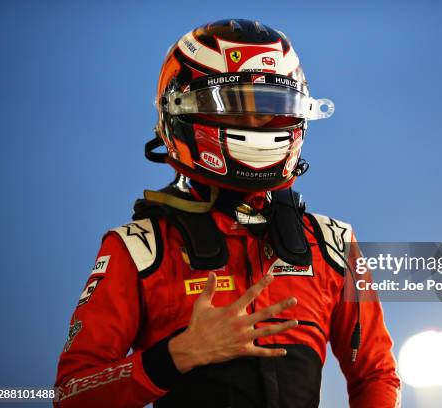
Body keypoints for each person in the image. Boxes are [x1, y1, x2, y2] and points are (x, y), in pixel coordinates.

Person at [54, 19, 401, 407]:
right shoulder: (139, 248)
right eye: (235, 107)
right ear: (179, 111)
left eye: (272, 108)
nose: (257, 124)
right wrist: (177, 355)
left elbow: (376, 375)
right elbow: (71, 393)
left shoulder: (333, 243)